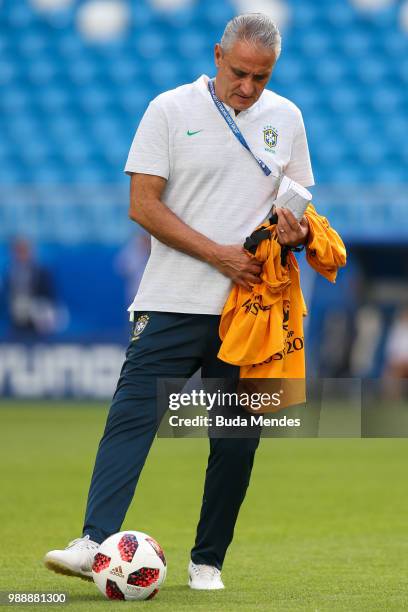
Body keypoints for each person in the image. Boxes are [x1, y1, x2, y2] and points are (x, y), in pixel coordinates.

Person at [44, 13, 314, 590]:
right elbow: (143, 206)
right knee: (131, 416)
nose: (247, 87)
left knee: (237, 440)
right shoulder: (168, 109)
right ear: (218, 55)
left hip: (249, 313)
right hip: (170, 298)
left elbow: (298, 203)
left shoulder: (287, 118)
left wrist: (298, 232)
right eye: (239, 72)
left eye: (260, 78)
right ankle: (94, 541)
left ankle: (207, 562)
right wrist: (218, 254)